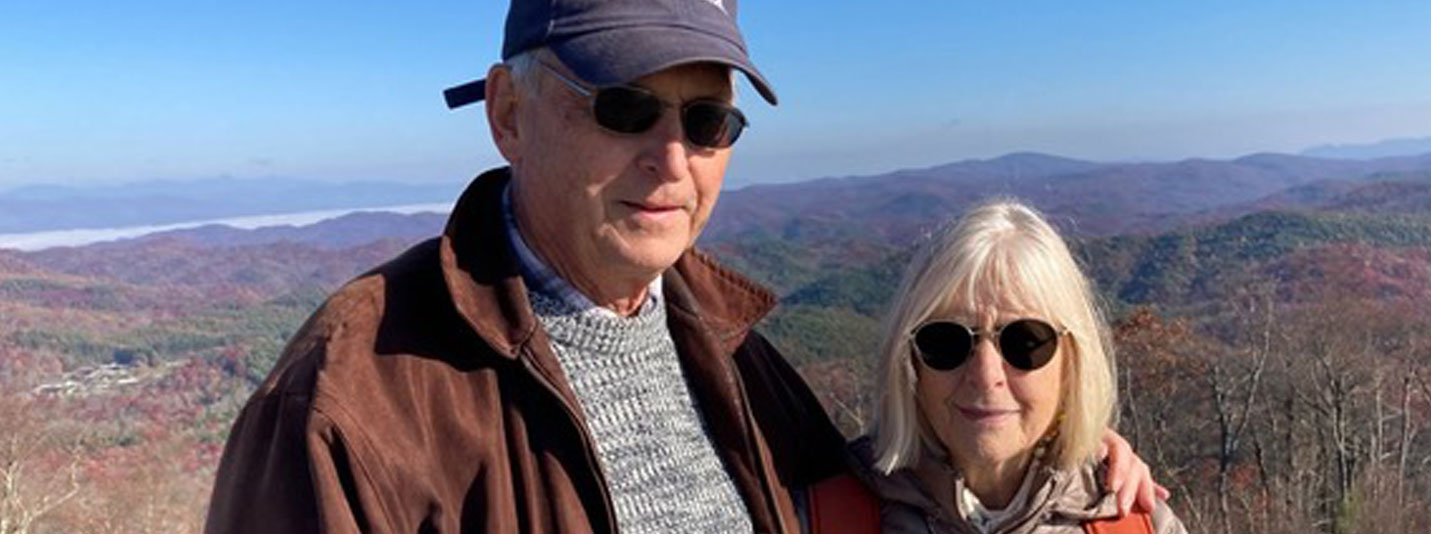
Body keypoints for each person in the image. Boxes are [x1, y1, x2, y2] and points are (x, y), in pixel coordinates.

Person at [204, 1, 1166, 532]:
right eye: (624, 108)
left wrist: (1071, 461)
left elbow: (894, 495)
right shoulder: (352, 403)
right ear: (508, 114)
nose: (673, 161)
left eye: (708, 121)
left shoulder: (729, 350)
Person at [851, 200, 1186, 533]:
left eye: (1024, 342)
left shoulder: (1139, 524)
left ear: (1072, 362)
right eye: (946, 342)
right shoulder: (822, 517)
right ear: (908, 360)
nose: (985, 375)